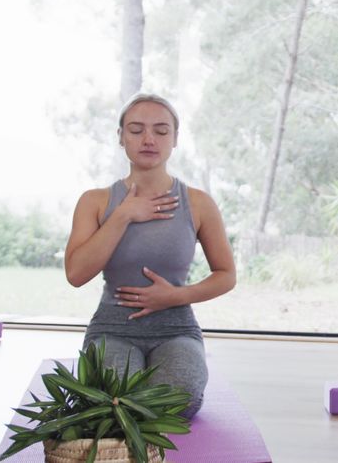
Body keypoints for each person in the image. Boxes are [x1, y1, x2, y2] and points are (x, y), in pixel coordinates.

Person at [63, 92, 236, 418]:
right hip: (112, 329)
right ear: (120, 137)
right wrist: (123, 215)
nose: (148, 139)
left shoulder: (198, 203)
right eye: (136, 129)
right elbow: (76, 274)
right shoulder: (95, 201)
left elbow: (226, 274)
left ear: (175, 139)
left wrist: (175, 296)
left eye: (160, 130)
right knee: (113, 398)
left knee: (176, 397)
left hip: (176, 329)